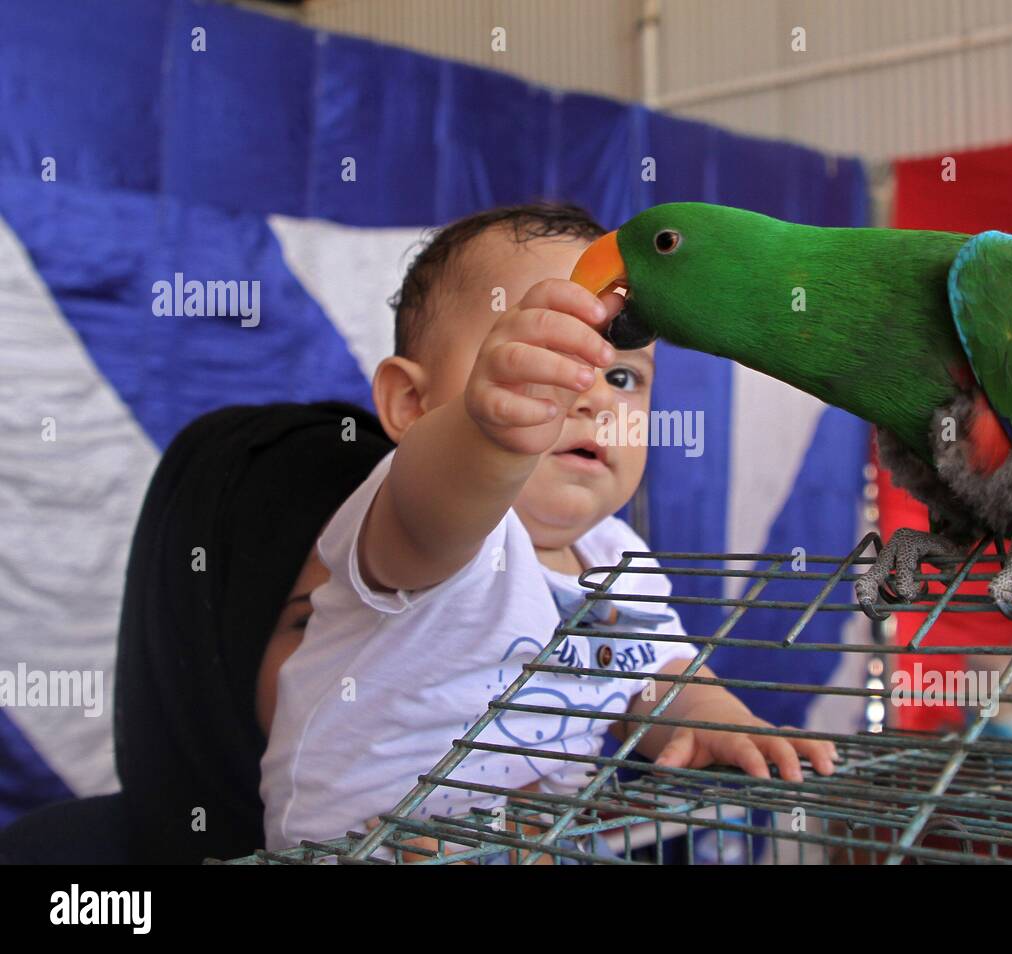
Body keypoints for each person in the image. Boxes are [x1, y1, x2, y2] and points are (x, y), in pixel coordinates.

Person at [261, 204, 837, 853]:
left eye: (623, 376)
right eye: (544, 358)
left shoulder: (619, 558)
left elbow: (661, 680)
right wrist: (493, 434)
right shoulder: (428, 520)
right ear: (412, 405)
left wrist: (723, 724)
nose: (591, 394)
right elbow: (446, 494)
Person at [0, 401, 394, 864]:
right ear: (212, 646)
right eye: (311, 622)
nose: (380, 660)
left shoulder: (473, 832)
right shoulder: (60, 859)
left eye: (397, 616)